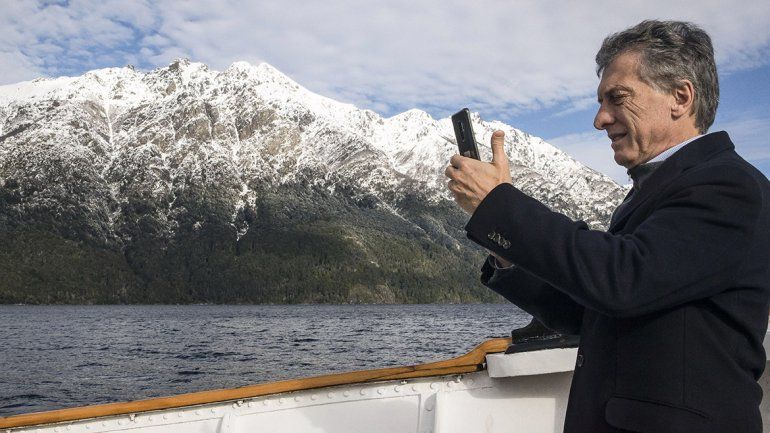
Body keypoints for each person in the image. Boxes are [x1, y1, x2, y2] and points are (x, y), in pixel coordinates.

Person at [445, 20, 770, 433]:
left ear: (681, 97)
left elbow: (622, 279)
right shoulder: (656, 191)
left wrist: (500, 207)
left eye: (617, 98)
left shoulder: (728, 185)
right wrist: (506, 253)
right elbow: (590, 311)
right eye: (601, 102)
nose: (600, 119)